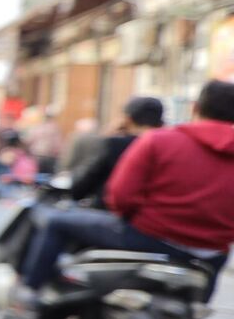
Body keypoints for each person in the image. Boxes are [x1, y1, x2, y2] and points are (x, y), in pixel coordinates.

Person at [17, 81, 234, 296]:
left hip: (148, 236)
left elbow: (120, 197)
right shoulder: (160, 138)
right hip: (210, 254)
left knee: (56, 222)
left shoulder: (159, 141)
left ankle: (29, 297)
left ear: (195, 108)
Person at [64, 96, 164, 205]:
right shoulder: (167, 147)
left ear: (127, 119)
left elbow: (82, 185)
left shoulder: (113, 144)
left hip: (111, 212)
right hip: (154, 212)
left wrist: (108, 136)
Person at [60, 116, 104, 183]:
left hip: (76, 174)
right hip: (93, 175)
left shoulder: (76, 138)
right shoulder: (100, 139)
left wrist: (64, 169)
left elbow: (70, 157)